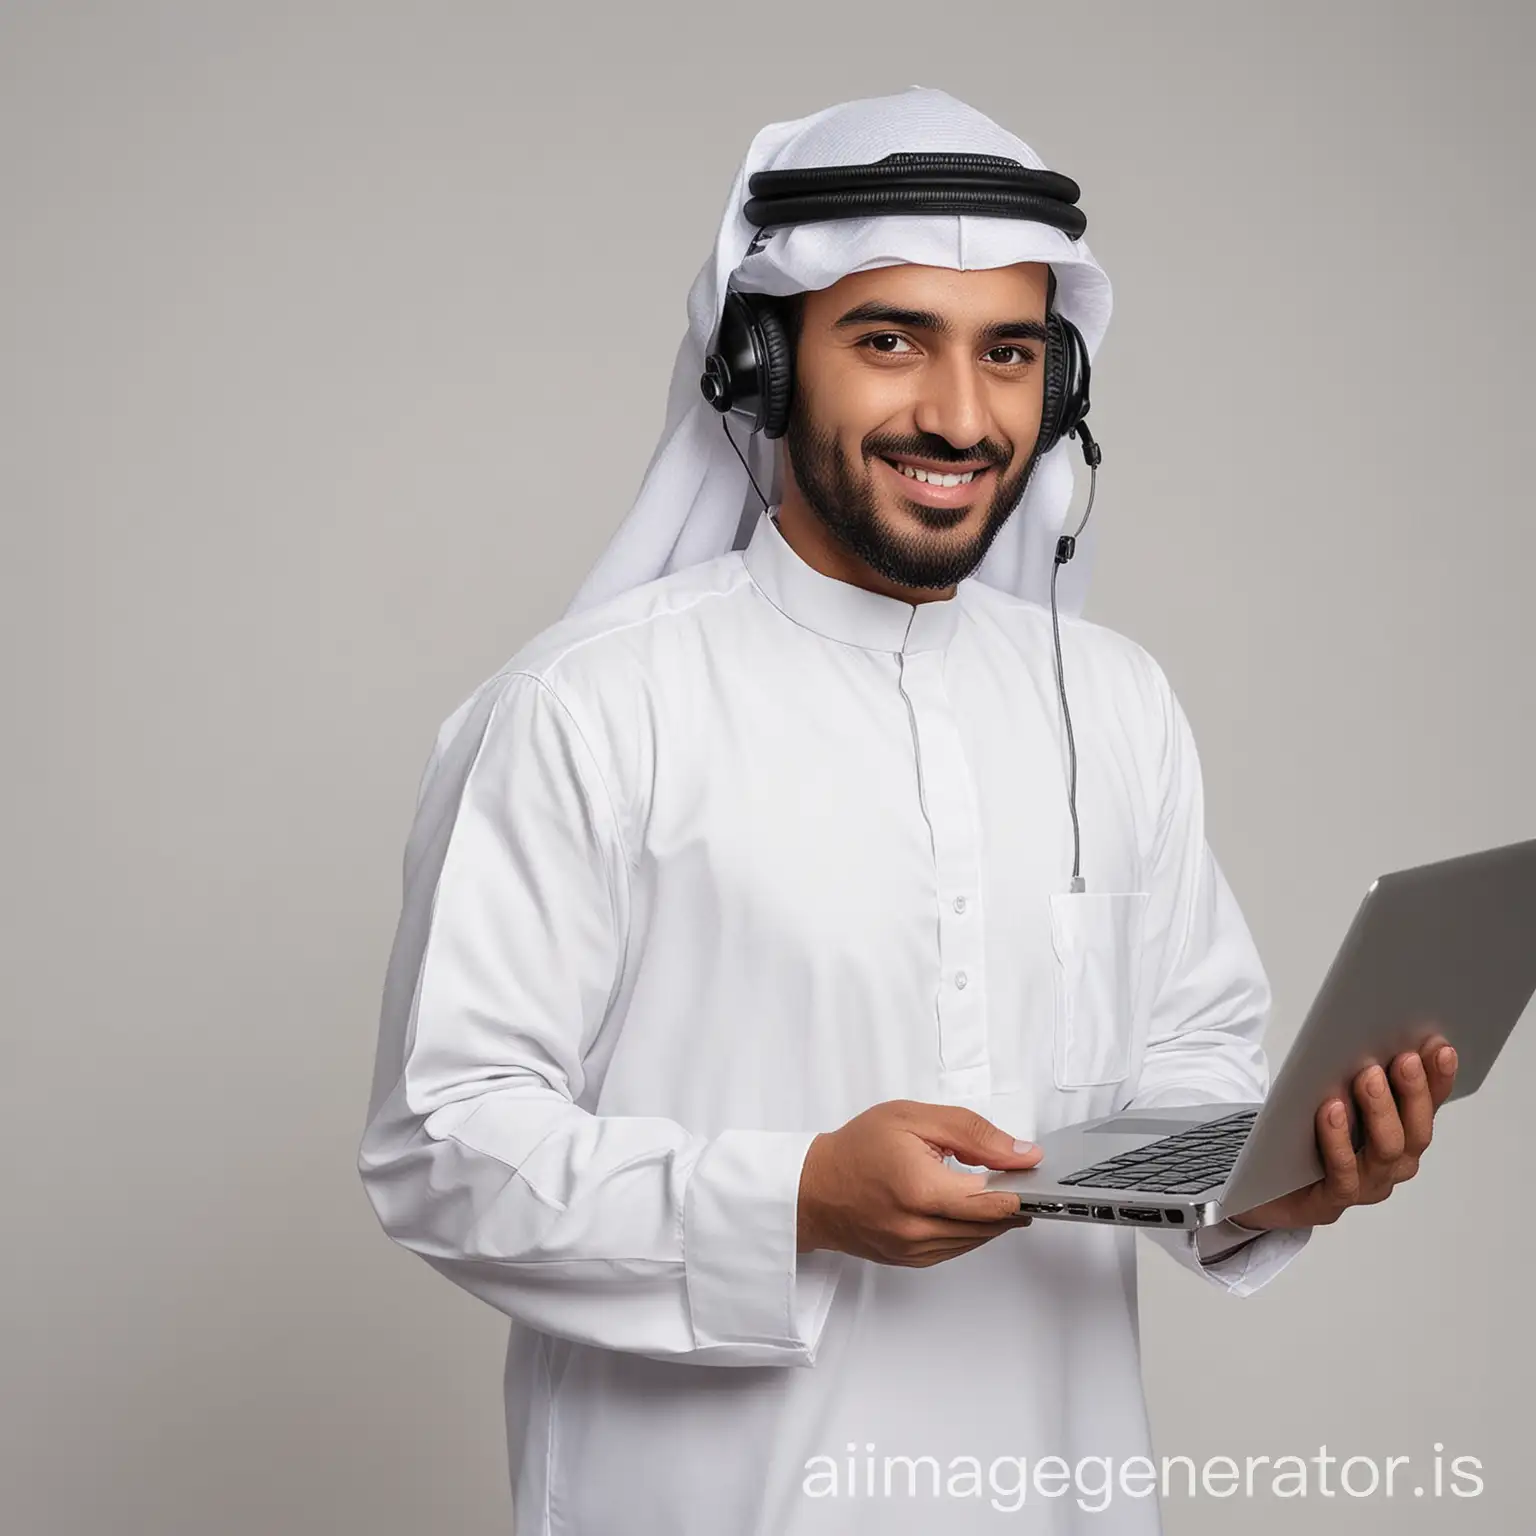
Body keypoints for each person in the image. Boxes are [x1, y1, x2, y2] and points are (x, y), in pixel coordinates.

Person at [357, 87, 1458, 1535]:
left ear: (1059, 390)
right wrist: (798, 1196)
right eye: (891, 342)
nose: (957, 413)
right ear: (762, 363)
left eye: (1008, 354)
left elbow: (1186, 1059)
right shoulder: (584, 709)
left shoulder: (1113, 703)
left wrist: (1272, 1175)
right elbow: (441, 1147)